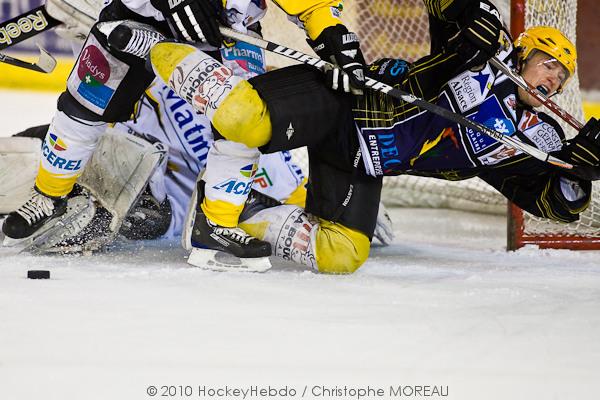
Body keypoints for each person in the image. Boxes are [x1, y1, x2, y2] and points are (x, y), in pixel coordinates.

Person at [147, 0, 600, 274]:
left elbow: (550, 200)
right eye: (546, 65)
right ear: (521, 56)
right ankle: (149, 46)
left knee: (342, 255)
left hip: (362, 164)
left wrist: (578, 175)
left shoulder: (538, 138)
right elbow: (448, 11)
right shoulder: (484, 52)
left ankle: (246, 215)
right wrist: (472, 12)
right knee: (243, 117)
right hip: (344, 106)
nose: (551, 81)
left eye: (561, 78)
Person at [1, 0, 367, 259]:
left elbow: (312, 5)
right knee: (85, 105)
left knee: (244, 125)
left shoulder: (282, 179)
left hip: (229, 37)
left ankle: (216, 225)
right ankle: (48, 195)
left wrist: (331, 33)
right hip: (140, 29)